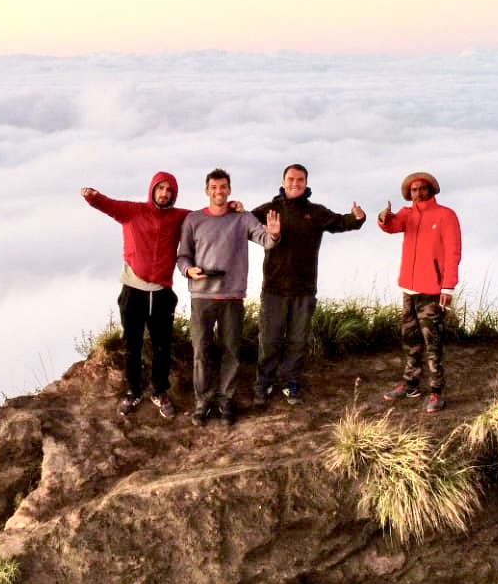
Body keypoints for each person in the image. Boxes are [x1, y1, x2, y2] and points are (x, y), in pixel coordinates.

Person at [250, 164, 365, 408]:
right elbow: (244, 223)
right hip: (273, 288)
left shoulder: (316, 212)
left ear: (306, 183)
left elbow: (340, 222)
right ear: (283, 181)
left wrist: (357, 218)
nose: (295, 183)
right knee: (269, 339)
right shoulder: (270, 209)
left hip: (304, 289)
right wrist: (235, 209)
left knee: (297, 340)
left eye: (300, 180)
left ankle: (290, 382)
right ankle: (263, 383)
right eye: (291, 179)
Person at [81, 174, 191, 418]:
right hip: (133, 291)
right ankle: (132, 391)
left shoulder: (178, 217)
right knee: (132, 345)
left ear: (174, 194)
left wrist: (231, 208)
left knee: (162, 346)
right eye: (160, 188)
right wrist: (93, 196)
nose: (164, 193)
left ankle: (160, 391)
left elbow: (204, 218)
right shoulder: (133, 211)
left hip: (161, 293)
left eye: (169, 190)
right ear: (152, 189)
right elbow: (109, 206)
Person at [176, 169, 280, 426]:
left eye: (223, 187)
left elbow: (265, 240)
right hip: (201, 296)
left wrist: (275, 234)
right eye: (213, 187)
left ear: (229, 189)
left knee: (231, 351)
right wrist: (189, 270)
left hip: (232, 296)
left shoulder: (242, 218)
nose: (218, 191)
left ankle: (226, 401)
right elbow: (182, 256)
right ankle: (203, 402)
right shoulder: (193, 220)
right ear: (207, 190)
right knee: (201, 351)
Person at [377, 172, 461, 414]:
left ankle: (436, 392)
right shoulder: (407, 214)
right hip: (408, 288)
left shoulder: (446, 215)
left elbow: (453, 251)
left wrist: (448, 286)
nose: (418, 193)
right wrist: (383, 218)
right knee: (410, 339)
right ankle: (411, 384)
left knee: (433, 342)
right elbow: (391, 226)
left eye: (422, 188)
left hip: (433, 291)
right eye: (413, 190)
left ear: (432, 190)